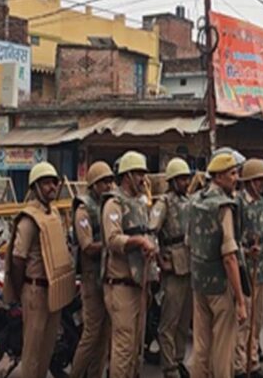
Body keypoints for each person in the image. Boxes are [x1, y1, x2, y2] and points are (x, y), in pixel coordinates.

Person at [4, 162, 76, 378]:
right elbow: (17, 259)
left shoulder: (53, 213)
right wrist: (21, 290)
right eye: (46, 183)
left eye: (54, 182)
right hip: (35, 289)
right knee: (32, 351)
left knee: (46, 350)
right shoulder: (29, 219)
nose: (52, 187)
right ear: (35, 187)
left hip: (53, 290)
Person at [188, 151, 247, 378]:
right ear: (219, 177)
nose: (236, 178)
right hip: (220, 284)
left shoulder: (196, 201)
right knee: (223, 347)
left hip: (199, 281)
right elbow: (229, 257)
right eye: (232, 174)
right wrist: (240, 300)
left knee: (201, 344)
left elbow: (189, 241)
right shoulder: (224, 207)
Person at [100, 151, 157, 377]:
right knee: (123, 347)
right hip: (120, 284)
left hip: (140, 283)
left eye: (143, 173)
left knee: (135, 346)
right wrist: (138, 242)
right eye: (139, 173)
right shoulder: (114, 204)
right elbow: (113, 239)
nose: (143, 178)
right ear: (127, 176)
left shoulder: (140, 203)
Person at [69, 161, 115, 378]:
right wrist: (112, 244)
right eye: (104, 182)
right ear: (94, 184)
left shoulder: (107, 205)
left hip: (106, 275)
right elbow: (87, 246)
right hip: (91, 277)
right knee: (91, 333)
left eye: (110, 181)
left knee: (105, 334)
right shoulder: (83, 209)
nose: (108, 186)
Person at [233, 159, 263, 378]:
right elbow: (233, 239)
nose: (262, 184)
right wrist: (246, 252)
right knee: (245, 320)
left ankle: (253, 361)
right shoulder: (239, 204)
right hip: (247, 269)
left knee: (257, 320)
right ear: (249, 181)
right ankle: (240, 365)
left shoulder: (261, 202)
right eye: (259, 180)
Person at [150, 157, 194, 378]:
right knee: (169, 321)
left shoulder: (189, 201)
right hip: (173, 265)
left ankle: (178, 359)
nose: (186, 182)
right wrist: (159, 259)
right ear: (173, 180)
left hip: (189, 263)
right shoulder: (163, 203)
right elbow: (151, 232)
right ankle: (169, 367)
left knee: (184, 321)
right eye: (182, 179)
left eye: (187, 178)